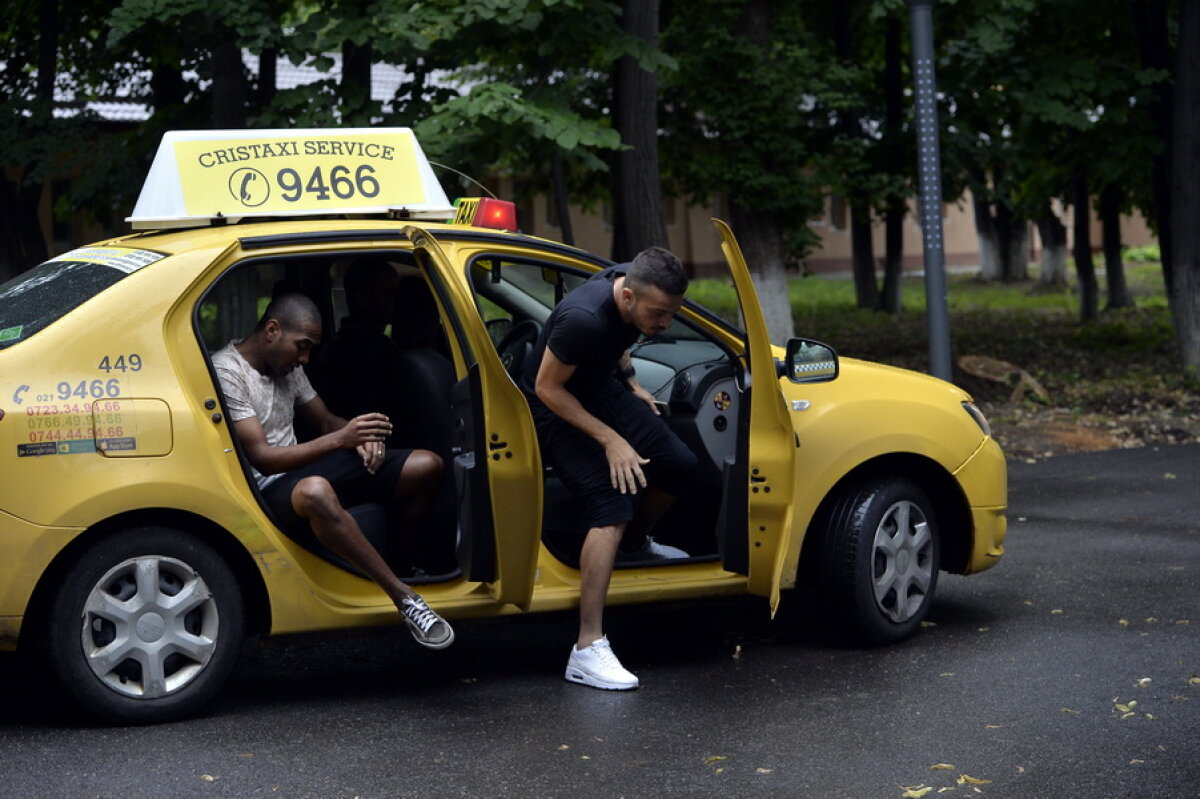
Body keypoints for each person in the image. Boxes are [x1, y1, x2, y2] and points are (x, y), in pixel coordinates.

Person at [212, 292, 454, 649]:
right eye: (302, 347)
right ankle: (404, 598)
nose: (305, 358)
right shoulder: (228, 372)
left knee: (426, 466)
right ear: (272, 330)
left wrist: (360, 438)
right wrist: (342, 439)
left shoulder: (287, 367)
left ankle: (400, 566)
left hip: (308, 466)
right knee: (315, 491)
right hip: (264, 489)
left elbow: (325, 421)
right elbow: (263, 457)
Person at [519, 246, 700, 690]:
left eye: (672, 313)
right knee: (611, 503)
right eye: (658, 314)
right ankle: (587, 647)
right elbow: (547, 387)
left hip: (597, 388)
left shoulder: (631, 280)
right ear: (627, 298)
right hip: (553, 407)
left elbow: (616, 344)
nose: (665, 324)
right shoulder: (584, 319)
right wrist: (611, 439)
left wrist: (633, 382)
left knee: (679, 465)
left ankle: (634, 545)